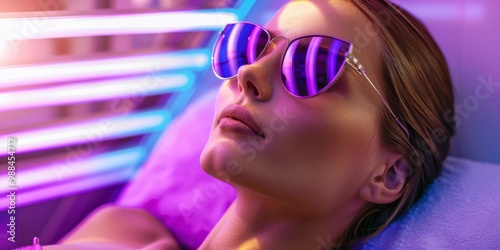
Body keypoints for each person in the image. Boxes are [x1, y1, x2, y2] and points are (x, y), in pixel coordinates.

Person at [44, 0, 455, 249]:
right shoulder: (119, 228)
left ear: (389, 173)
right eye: (249, 47)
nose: (248, 74)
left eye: (311, 65)